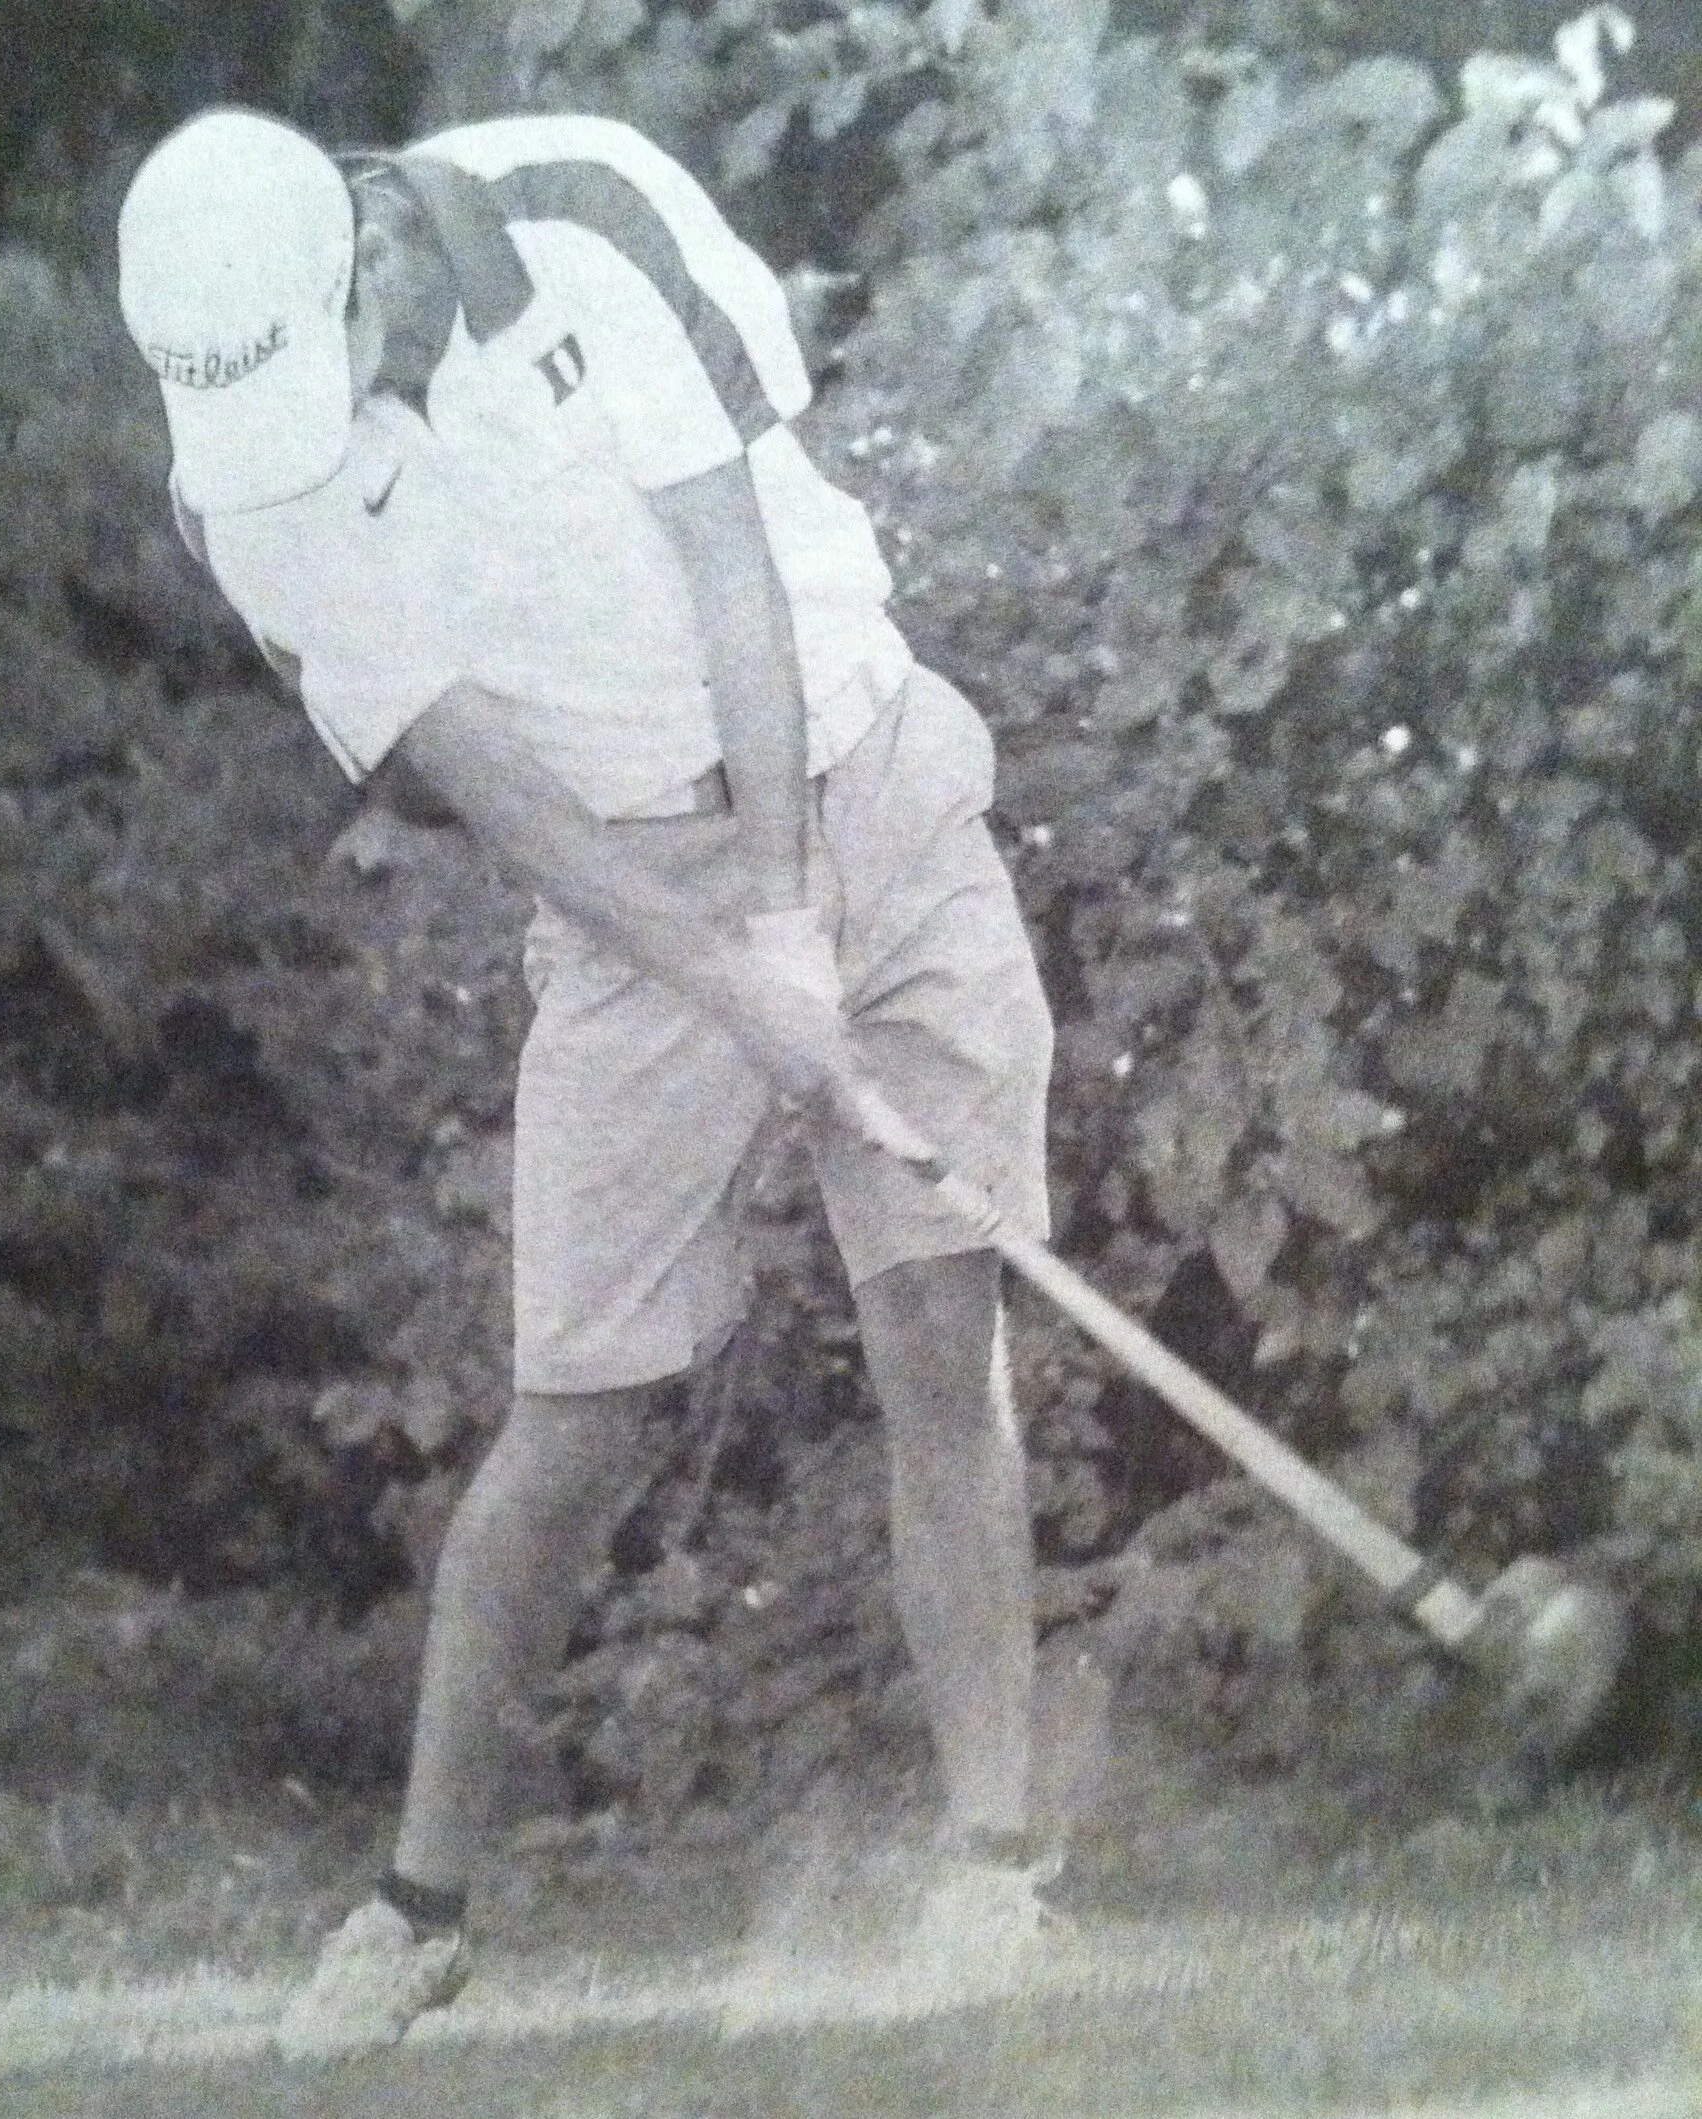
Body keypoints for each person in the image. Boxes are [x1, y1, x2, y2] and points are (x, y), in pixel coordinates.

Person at [115, 104, 1056, 2053]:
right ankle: (416, 1913)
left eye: (333, 353)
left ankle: (995, 1871)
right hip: (627, 905)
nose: (329, 401)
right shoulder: (244, 489)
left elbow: (739, 586)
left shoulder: (579, 209)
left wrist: (793, 921)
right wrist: (718, 960)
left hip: (860, 776)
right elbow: (492, 779)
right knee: (576, 1412)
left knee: (936, 1337)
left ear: (367, 246)